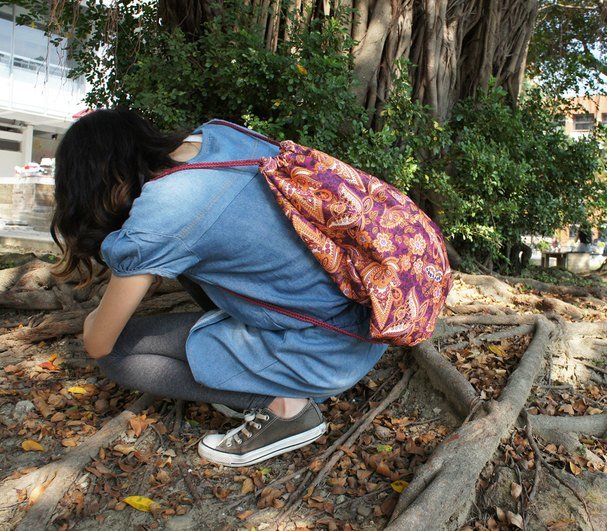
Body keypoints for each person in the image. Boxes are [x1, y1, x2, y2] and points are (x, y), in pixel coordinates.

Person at [51, 109, 388, 467]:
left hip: (323, 356)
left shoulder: (162, 212)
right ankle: (243, 367)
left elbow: (98, 342)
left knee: (117, 354)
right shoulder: (218, 137)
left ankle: (283, 408)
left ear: (101, 180)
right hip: (370, 321)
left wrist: (94, 319)